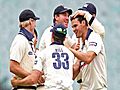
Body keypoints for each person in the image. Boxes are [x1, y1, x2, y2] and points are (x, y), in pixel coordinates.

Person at [11, 24, 80, 90]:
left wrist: (16, 82)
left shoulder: (44, 53)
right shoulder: (70, 54)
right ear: (65, 38)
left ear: (52, 35)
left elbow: (33, 79)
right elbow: (75, 70)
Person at [70, 15, 107, 90]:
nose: (73, 30)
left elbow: (88, 58)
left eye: (75, 26)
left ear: (83, 23)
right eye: (72, 27)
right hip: (84, 87)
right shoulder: (79, 43)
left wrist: (70, 50)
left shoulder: (94, 37)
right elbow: (76, 70)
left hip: (98, 88)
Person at [9, 9, 43, 90]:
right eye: (35, 21)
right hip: (22, 88)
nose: (35, 25)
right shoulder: (20, 40)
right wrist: (32, 77)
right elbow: (13, 66)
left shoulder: (27, 41)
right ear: (31, 21)